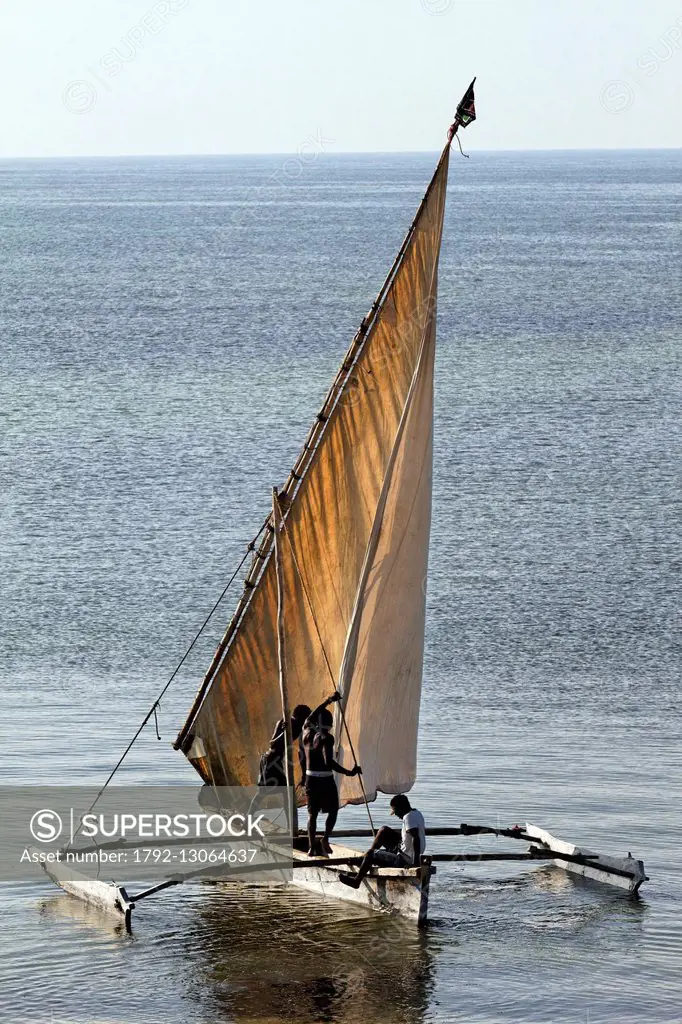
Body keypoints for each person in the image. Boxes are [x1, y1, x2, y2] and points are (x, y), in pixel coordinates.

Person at [302, 692, 361, 856]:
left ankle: (311, 847)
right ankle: (325, 839)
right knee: (333, 810)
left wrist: (328, 701)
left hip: (310, 779)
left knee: (312, 815)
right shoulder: (326, 738)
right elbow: (329, 762)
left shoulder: (306, 731)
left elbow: (312, 715)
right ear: (328, 724)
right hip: (325, 780)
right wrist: (350, 773)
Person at [339, 794, 425, 888]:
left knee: (371, 853)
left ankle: (357, 881)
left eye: (395, 811)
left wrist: (415, 863)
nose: (395, 814)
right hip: (406, 853)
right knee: (384, 830)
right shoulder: (416, 813)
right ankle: (366, 860)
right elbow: (411, 837)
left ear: (401, 808)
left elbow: (416, 838)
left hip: (404, 860)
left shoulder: (408, 817)